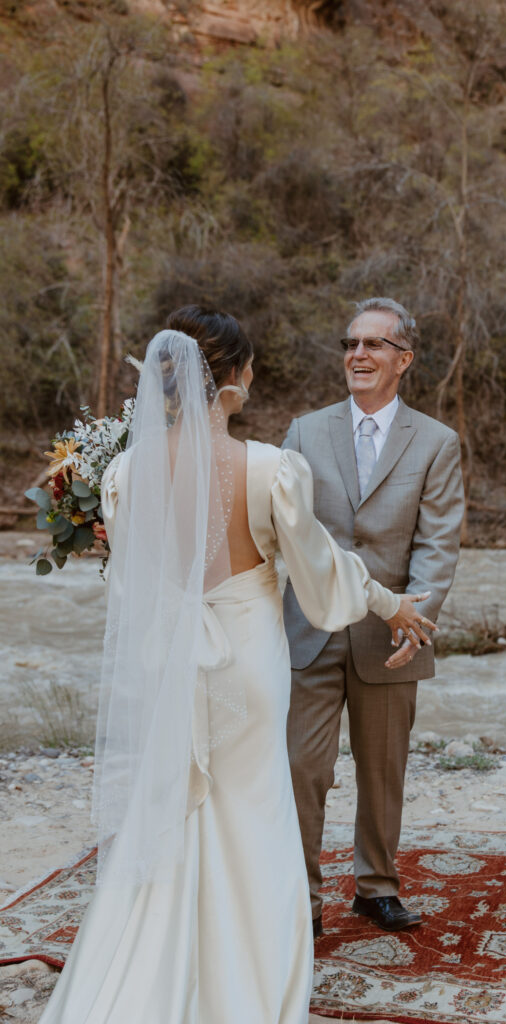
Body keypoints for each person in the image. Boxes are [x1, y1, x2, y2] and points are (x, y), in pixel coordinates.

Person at [38, 306, 434, 1024]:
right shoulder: (269, 469)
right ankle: (244, 981)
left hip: (168, 660)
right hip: (247, 663)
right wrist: (391, 605)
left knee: (172, 809)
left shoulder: (124, 473)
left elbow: (131, 587)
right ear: (236, 378)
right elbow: (322, 577)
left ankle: (149, 971)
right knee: (250, 814)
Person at [284, 297, 464, 937]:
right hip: (308, 627)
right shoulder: (304, 431)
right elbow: (287, 528)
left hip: (393, 633)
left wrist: (414, 616)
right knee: (302, 767)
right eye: (350, 343)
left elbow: (439, 543)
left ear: (404, 359)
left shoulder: (438, 441)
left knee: (383, 769)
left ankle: (375, 886)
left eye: (374, 345)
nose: (357, 354)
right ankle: (300, 895)